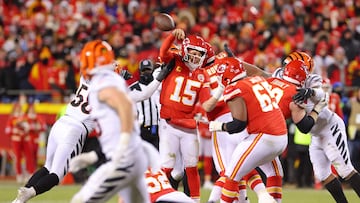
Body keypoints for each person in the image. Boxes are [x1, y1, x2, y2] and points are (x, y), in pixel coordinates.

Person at [69, 39, 148, 203]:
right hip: (132, 155)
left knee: (81, 200)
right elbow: (119, 123)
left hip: (123, 161)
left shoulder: (102, 83)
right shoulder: (113, 80)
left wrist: (123, 144)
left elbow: (125, 107)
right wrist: (94, 156)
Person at [208, 57, 288, 203]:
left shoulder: (234, 88)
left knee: (232, 175)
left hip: (263, 136)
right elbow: (257, 72)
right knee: (275, 173)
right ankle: (266, 197)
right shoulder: (258, 80)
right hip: (281, 136)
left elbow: (238, 124)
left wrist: (220, 126)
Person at [157, 28, 223, 202]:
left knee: (191, 167)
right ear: (184, 51)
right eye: (192, 53)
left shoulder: (202, 75)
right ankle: (158, 197)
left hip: (188, 126)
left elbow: (207, 105)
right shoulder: (175, 61)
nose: (195, 57)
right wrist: (172, 35)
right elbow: (163, 51)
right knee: (167, 166)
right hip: (169, 123)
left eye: (199, 54)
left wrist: (218, 94)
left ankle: (194, 201)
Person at [5, 102, 34, 184]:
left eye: (19, 108)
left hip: (25, 139)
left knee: (29, 156)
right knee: (18, 157)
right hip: (16, 140)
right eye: (17, 108)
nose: (18, 109)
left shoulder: (24, 117)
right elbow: (7, 130)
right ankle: (19, 175)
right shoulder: (12, 118)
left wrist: (25, 127)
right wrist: (15, 131)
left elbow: (30, 127)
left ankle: (29, 173)